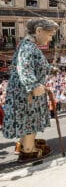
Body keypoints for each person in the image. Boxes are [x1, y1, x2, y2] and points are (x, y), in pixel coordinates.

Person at [2, 18, 58, 162]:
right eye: (50, 34)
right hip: (27, 94)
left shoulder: (29, 46)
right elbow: (25, 68)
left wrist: (50, 69)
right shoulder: (27, 47)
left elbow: (36, 64)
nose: (51, 38)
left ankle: (25, 143)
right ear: (39, 31)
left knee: (28, 119)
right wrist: (34, 85)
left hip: (24, 92)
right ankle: (29, 150)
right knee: (29, 119)